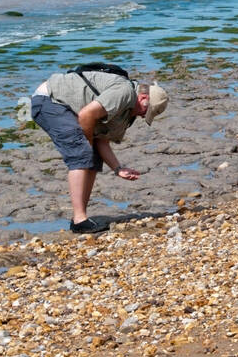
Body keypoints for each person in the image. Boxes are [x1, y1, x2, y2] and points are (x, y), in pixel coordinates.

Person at [29, 66, 168, 234]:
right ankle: (80, 220)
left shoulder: (126, 112)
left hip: (66, 107)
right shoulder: (125, 92)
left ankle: (79, 219)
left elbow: (101, 140)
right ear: (143, 97)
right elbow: (86, 115)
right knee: (82, 153)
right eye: (146, 111)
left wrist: (118, 168)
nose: (142, 116)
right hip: (50, 100)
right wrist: (86, 145)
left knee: (92, 157)